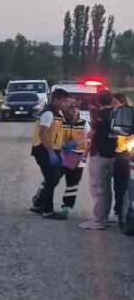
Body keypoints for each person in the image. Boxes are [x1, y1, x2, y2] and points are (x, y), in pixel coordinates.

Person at [80, 88, 117, 230]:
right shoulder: (116, 113)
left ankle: (99, 220)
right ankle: (105, 216)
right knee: (107, 188)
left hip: (99, 155)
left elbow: (90, 135)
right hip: (112, 154)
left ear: (98, 100)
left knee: (98, 188)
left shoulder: (101, 115)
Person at [30, 88, 69, 220]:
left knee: (54, 178)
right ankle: (47, 210)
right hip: (44, 150)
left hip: (52, 150)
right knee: (51, 179)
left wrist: (63, 147)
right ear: (57, 100)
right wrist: (51, 152)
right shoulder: (49, 113)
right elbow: (43, 133)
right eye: (64, 101)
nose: (65, 104)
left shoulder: (57, 114)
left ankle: (38, 203)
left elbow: (56, 134)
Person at [56, 99, 87, 216]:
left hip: (75, 155)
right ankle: (40, 201)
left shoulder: (83, 123)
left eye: (76, 108)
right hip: (61, 154)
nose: (74, 110)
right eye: (71, 108)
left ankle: (67, 206)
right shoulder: (61, 122)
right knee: (52, 179)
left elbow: (88, 140)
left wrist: (84, 155)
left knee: (72, 183)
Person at [113, 93, 131, 228]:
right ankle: (119, 209)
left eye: (115, 102)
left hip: (125, 155)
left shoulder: (127, 117)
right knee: (118, 186)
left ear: (123, 102)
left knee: (123, 185)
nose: (113, 104)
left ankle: (121, 210)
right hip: (117, 155)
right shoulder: (113, 115)